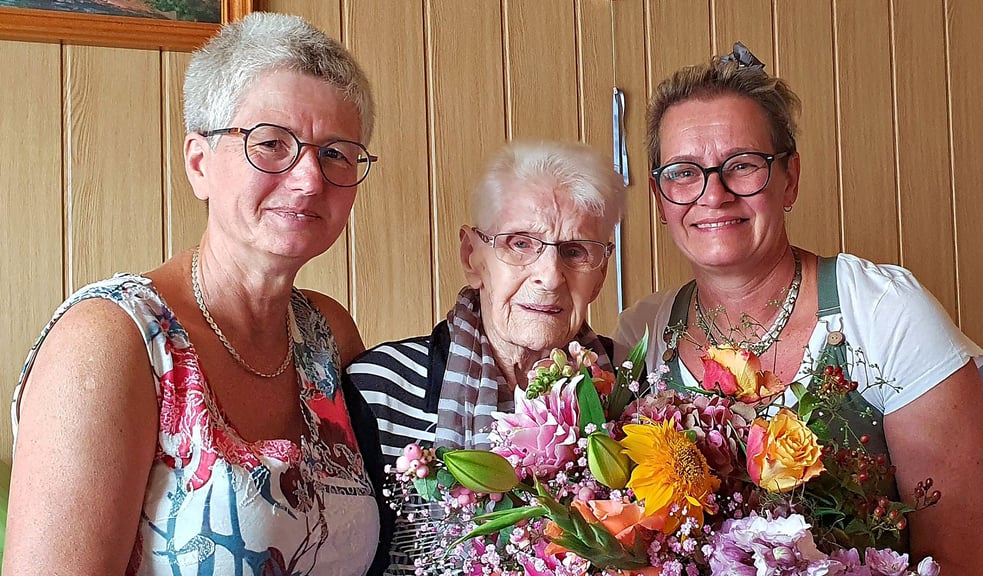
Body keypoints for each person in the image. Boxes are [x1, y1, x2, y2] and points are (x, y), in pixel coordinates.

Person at [5, 13, 391, 576]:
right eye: (272, 144)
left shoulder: (327, 335)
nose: (310, 178)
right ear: (199, 163)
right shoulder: (114, 342)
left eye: (335, 153)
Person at [614, 43, 983, 574]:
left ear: (789, 177)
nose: (714, 194)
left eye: (742, 165)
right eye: (683, 172)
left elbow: (962, 561)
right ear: (660, 199)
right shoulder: (642, 335)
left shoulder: (885, 313)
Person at [348, 140, 625, 573]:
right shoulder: (378, 391)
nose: (550, 277)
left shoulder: (635, 389)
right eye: (519, 243)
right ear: (472, 257)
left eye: (575, 251)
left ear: (601, 273)